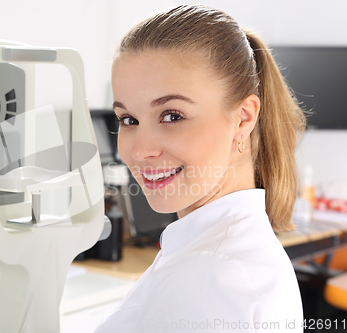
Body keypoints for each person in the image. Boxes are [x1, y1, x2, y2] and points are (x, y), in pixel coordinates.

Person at [95, 4, 306, 333]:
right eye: (128, 119)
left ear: (243, 118)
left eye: (172, 116)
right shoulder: (215, 257)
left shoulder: (214, 281)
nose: (139, 150)